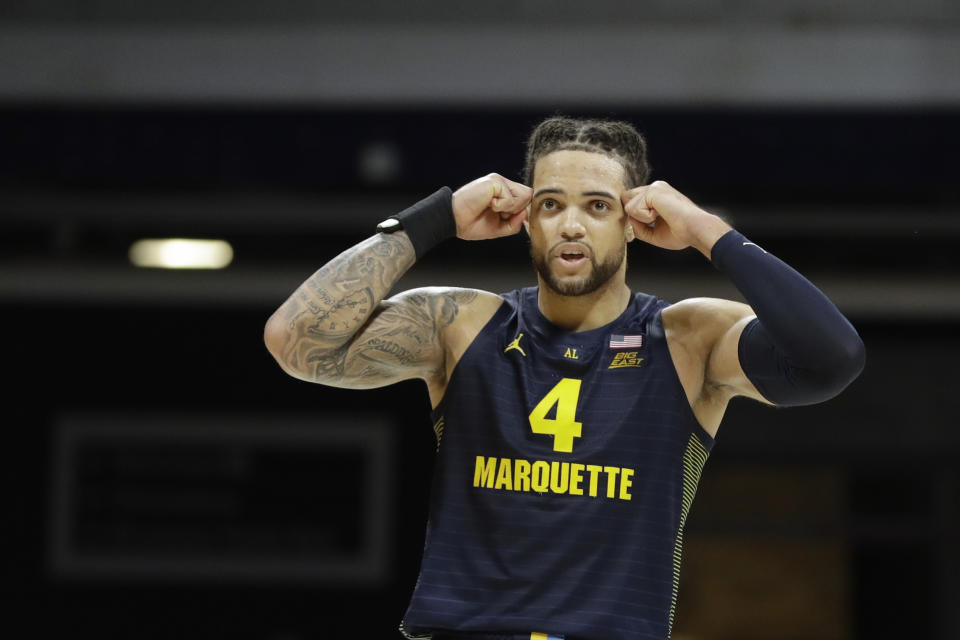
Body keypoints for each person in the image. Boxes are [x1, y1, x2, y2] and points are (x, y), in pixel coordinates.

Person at [263, 116, 865, 640]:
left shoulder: (691, 339)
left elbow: (832, 358)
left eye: (598, 205)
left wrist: (706, 231)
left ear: (634, 221)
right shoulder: (464, 324)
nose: (570, 225)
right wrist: (435, 218)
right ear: (527, 220)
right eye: (551, 204)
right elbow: (294, 340)